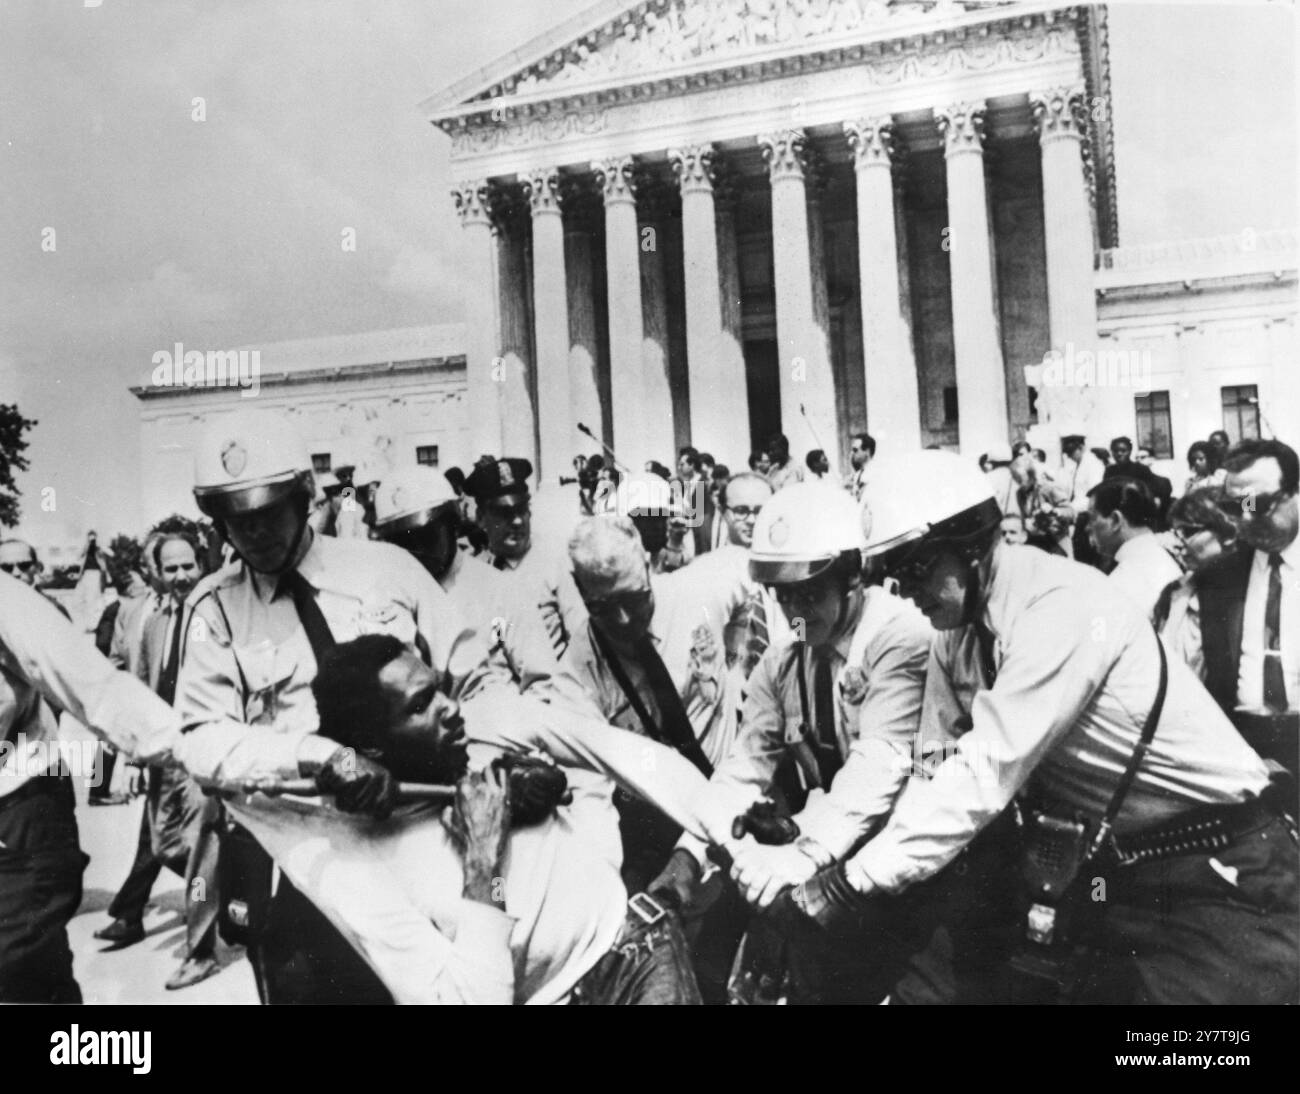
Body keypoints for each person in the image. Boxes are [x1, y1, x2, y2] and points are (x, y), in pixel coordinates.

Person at [747, 449, 1296, 1005]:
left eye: (914, 568)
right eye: (891, 574)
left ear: (969, 544)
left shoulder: (1059, 604)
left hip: (1224, 865)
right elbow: (932, 773)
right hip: (1114, 874)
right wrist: (823, 868)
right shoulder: (954, 636)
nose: (904, 590)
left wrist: (849, 885)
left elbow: (983, 775)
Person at [231, 633, 737, 1003]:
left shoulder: (488, 723)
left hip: (635, 950)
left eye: (439, 688)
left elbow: (630, 756)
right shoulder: (360, 862)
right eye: (422, 705)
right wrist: (484, 868)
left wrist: (734, 828)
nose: (451, 709)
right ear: (370, 747)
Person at [660, 483, 933, 1003]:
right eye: (783, 595)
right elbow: (743, 769)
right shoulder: (783, 661)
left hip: (905, 868)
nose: (793, 610)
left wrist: (800, 854)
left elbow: (877, 769)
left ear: (853, 575)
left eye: (808, 593)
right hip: (824, 871)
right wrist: (688, 856)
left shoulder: (899, 637)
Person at [1, 573, 179, 1003]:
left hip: (17, 804)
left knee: (20, 969)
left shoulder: (7, 599)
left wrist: (190, 748)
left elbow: (95, 686)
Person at [93, 530, 221, 990]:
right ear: (157, 573)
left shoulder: (213, 613)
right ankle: (232, 889)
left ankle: (201, 947)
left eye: (189, 565)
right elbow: (141, 686)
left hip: (200, 749)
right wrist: (131, 755)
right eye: (172, 568)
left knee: (198, 846)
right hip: (162, 750)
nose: (182, 575)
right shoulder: (151, 619)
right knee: (167, 844)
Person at [371, 464, 563, 687]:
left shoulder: (499, 590)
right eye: (403, 542)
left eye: (427, 537)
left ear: (452, 525)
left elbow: (543, 682)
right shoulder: (384, 600)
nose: (417, 550)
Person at [1197, 438, 1299, 773]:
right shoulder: (1219, 577)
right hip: (1247, 747)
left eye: (1259, 504)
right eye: (1236, 506)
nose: (1247, 517)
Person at [1154, 488, 1238, 680]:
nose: (1178, 541)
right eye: (1176, 532)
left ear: (1229, 533)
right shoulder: (1176, 591)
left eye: (1188, 531)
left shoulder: (1247, 594)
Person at [1087, 477, 1181, 618]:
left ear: (1115, 520)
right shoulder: (1161, 557)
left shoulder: (1124, 579)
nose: (1087, 527)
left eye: (1092, 518)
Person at [1057, 433, 1105, 568]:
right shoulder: (1077, 465)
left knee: (1085, 556)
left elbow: (1093, 493)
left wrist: (1072, 507)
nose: (1070, 456)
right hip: (1079, 514)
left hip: (1088, 514)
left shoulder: (1093, 464)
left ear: (1080, 447)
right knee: (1079, 554)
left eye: (1072, 452)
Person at [0, 538, 71, 618]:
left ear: (37, 567)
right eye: (6, 567)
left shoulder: (53, 609)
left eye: (24, 565)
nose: (16, 573)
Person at [845, 432, 875, 501]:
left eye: (855, 450)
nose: (852, 453)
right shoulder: (857, 475)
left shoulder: (875, 474)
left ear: (867, 451)